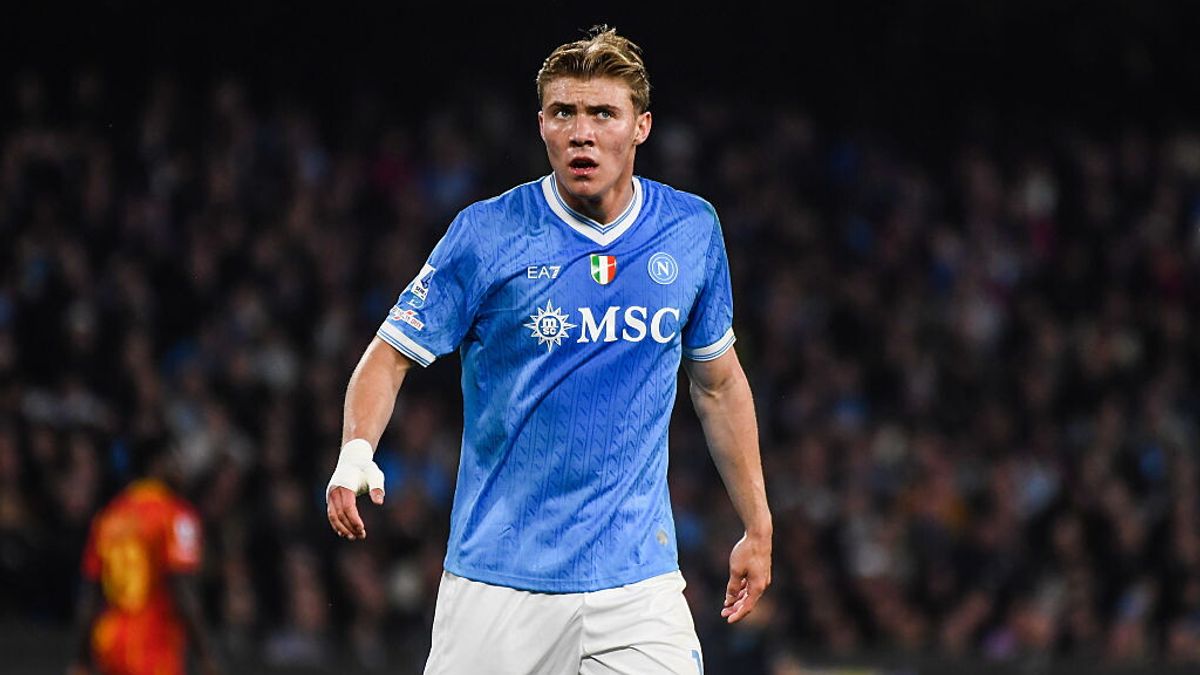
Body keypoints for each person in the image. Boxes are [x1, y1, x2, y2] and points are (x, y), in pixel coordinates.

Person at [326, 25, 772, 674]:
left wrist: (757, 523)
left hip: (637, 587)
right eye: (564, 112)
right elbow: (388, 355)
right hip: (498, 585)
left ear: (641, 127)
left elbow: (718, 384)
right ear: (542, 125)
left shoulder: (690, 229)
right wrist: (355, 452)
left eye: (603, 114)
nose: (581, 132)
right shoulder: (487, 233)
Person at [68, 437, 221, 675]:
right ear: (157, 464)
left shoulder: (108, 517)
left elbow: (90, 596)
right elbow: (183, 589)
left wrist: (81, 660)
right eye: (174, 458)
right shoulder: (176, 514)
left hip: (110, 643)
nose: (180, 467)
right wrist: (205, 656)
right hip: (153, 645)